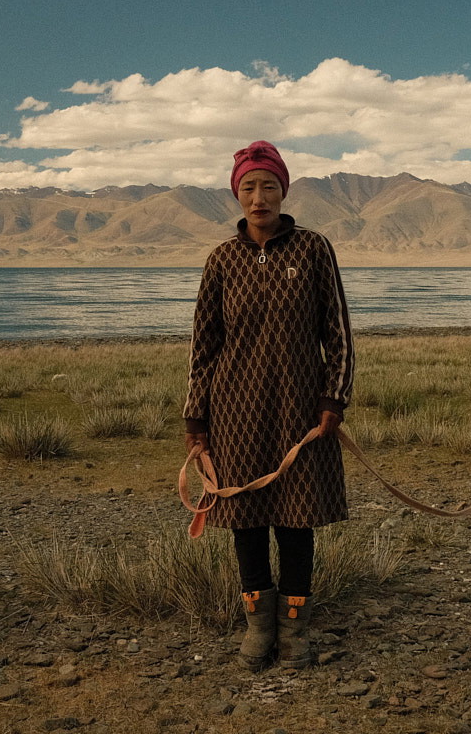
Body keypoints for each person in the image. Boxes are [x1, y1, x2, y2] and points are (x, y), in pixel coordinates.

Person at [183, 140, 355, 670]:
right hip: (235, 411)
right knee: (248, 521)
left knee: (297, 521)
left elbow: (338, 331)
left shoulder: (314, 249)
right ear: (236, 195)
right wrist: (196, 417)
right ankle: (259, 629)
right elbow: (203, 344)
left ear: (285, 190)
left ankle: (295, 631)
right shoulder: (221, 259)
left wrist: (334, 398)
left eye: (269, 186)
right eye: (249, 188)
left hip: (302, 411)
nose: (259, 198)